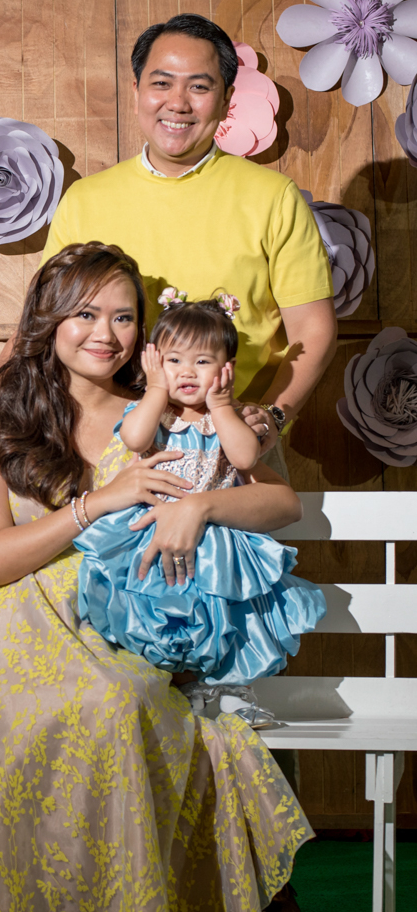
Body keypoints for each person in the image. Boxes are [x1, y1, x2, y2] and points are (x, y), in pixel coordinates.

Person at [0, 243, 310, 911]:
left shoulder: (171, 409)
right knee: (73, 713)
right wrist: (96, 504)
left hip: (130, 630)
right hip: (20, 629)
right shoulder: (1, 420)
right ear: (48, 320)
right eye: (84, 314)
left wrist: (201, 506)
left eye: (123, 317)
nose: (104, 334)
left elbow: (279, 503)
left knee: (118, 707)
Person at [0, 13, 338, 485]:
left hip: (230, 438)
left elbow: (313, 329)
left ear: (226, 100)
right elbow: (43, 318)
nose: (177, 102)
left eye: (199, 86)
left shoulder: (272, 197)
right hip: (101, 436)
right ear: (136, 90)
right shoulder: (86, 200)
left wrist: (273, 417)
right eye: (161, 83)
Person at [74, 293, 326, 707]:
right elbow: (134, 438)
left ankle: (224, 687)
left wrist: (222, 405)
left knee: (221, 611)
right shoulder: (155, 413)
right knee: (159, 609)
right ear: (156, 362)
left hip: (217, 541)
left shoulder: (226, 418)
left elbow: (244, 457)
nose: (187, 371)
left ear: (227, 369)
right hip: (154, 532)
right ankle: (166, 687)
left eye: (203, 361)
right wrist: (156, 388)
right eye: (174, 360)